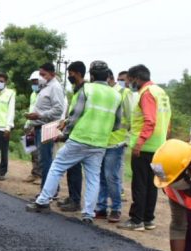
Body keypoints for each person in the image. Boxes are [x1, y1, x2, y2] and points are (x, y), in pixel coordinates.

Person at [26, 61, 122, 224]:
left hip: (79, 139)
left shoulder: (87, 89)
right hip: (100, 143)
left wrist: (64, 135)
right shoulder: (116, 95)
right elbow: (117, 124)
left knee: (57, 167)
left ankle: (42, 201)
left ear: (91, 76)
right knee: (93, 178)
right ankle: (88, 214)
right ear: (107, 76)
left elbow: (75, 116)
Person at [118, 64, 171, 231]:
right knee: (152, 184)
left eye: (129, 80)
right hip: (159, 147)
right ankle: (148, 219)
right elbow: (167, 120)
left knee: (140, 184)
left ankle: (137, 220)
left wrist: (139, 143)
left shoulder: (146, 94)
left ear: (136, 78)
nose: (129, 84)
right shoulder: (160, 92)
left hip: (144, 147)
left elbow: (150, 121)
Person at [95, 70, 133, 222]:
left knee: (112, 177)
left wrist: (125, 137)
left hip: (116, 142)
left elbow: (130, 117)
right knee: (101, 177)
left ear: (109, 78)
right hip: (101, 140)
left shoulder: (124, 92)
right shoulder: (104, 93)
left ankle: (116, 208)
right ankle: (101, 207)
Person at [25, 62, 65, 196]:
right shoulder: (44, 87)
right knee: (44, 160)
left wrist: (40, 115)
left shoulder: (55, 87)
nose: (40, 77)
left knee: (46, 160)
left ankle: (47, 192)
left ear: (52, 74)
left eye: (43, 74)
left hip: (48, 127)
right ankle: (50, 190)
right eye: (40, 74)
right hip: (39, 126)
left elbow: (58, 110)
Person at [57, 61, 86, 212]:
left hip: (78, 136)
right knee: (71, 168)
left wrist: (64, 134)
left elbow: (78, 116)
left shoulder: (84, 91)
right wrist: (66, 121)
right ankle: (72, 197)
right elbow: (74, 114)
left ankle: (75, 201)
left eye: (71, 73)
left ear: (78, 73)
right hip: (73, 134)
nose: (69, 76)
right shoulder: (77, 89)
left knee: (74, 168)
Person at [23, 71, 42, 184]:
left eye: (35, 82)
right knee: (32, 150)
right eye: (33, 82)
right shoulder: (33, 94)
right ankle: (34, 173)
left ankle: (40, 175)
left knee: (40, 152)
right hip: (30, 125)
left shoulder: (43, 94)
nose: (34, 84)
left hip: (38, 125)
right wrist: (27, 125)